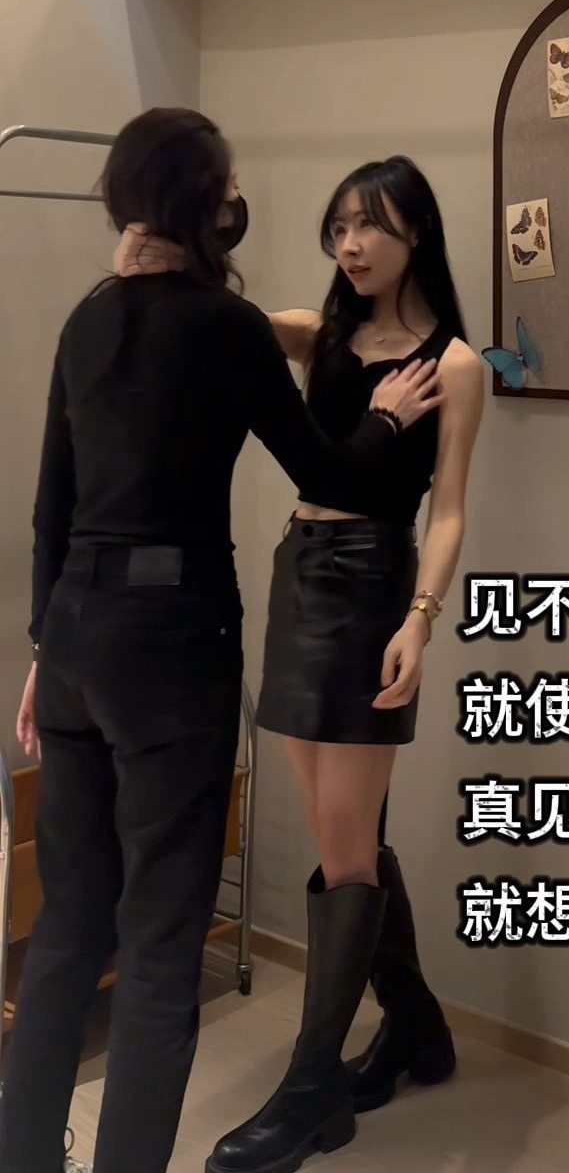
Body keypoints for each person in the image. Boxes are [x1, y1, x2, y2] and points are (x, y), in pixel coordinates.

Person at [0, 110, 439, 1173]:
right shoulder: (224, 327)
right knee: (160, 948)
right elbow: (330, 473)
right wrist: (385, 417)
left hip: (77, 641)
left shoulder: (86, 320)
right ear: (207, 204)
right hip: (172, 650)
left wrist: (45, 649)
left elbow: (52, 510)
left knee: (67, 931)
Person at [207, 157, 483, 1173]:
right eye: (339, 228)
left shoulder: (455, 364)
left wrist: (421, 618)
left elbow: (446, 509)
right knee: (348, 834)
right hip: (299, 574)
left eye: (372, 227)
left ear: (418, 235)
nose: (351, 245)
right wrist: (208, 213)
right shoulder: (317, 334)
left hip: (373, 586)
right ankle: (416, 1027)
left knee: (343, 847)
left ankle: (312, 1088)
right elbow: (220, 313)